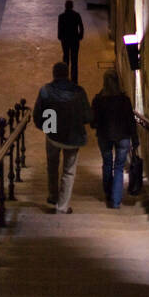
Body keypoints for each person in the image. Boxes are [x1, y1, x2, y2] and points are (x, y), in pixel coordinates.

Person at [33, 61, 92, 213]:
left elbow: (38, 114)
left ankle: (52, 195)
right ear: (67, 74)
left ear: (54, 74)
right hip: (73, 136)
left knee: (52, 166)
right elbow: (87, 116)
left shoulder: (46, 90)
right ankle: (62, 206)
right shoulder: (79, 92)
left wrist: (46, 127)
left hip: (52, 133)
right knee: (69, 171)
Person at [90, 70, 136, 209]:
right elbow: (131, 121)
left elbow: (93, 122)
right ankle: (116, 201)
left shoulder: (98, 100)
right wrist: (136, 139)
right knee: (119, 168)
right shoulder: (124, 100)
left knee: (107, 163)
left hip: (104, 136)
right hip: (123, 137)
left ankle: (108, 192)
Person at [57, 0, 84, 82]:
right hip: (74, 40)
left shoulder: (61, 16)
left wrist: (60, 37)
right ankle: (74, 80)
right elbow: (81, 27)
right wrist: (80, 36)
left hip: (65, 40)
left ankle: (64, 78)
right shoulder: (77, 15)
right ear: (72, 6)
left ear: (65, 6)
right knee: (74, 60)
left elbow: (59, 28)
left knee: (66, 58)